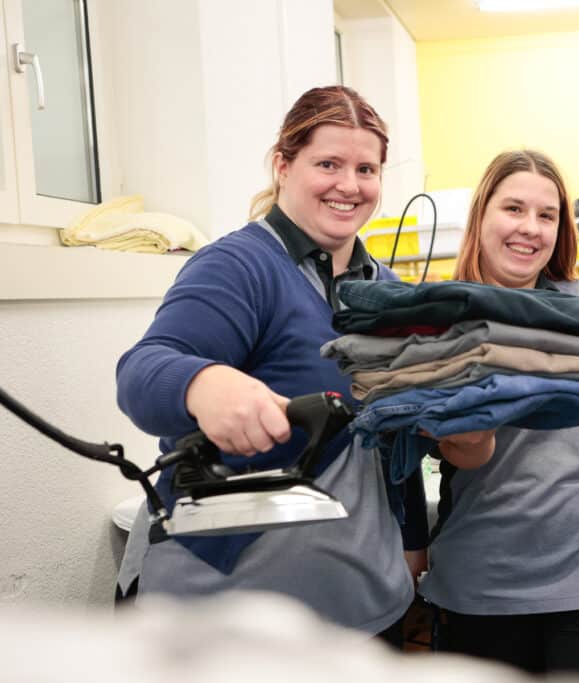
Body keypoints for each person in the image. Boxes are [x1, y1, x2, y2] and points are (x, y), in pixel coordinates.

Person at [115, 85, 429, 645]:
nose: (349, 185)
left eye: (366, 169)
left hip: (365, 608)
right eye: (328, 164)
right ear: (283, 166)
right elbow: (142, 371)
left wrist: (411, 544)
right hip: (227, 619)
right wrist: (202, 382)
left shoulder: (389, 292)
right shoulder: (240, 266)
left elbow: (394, 439)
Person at [417, 150, 579, 679]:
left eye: (547, 215)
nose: (531, 228)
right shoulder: (441, 315)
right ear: (482, 215)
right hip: (485, 584)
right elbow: (453, 450)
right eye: (514, 209)